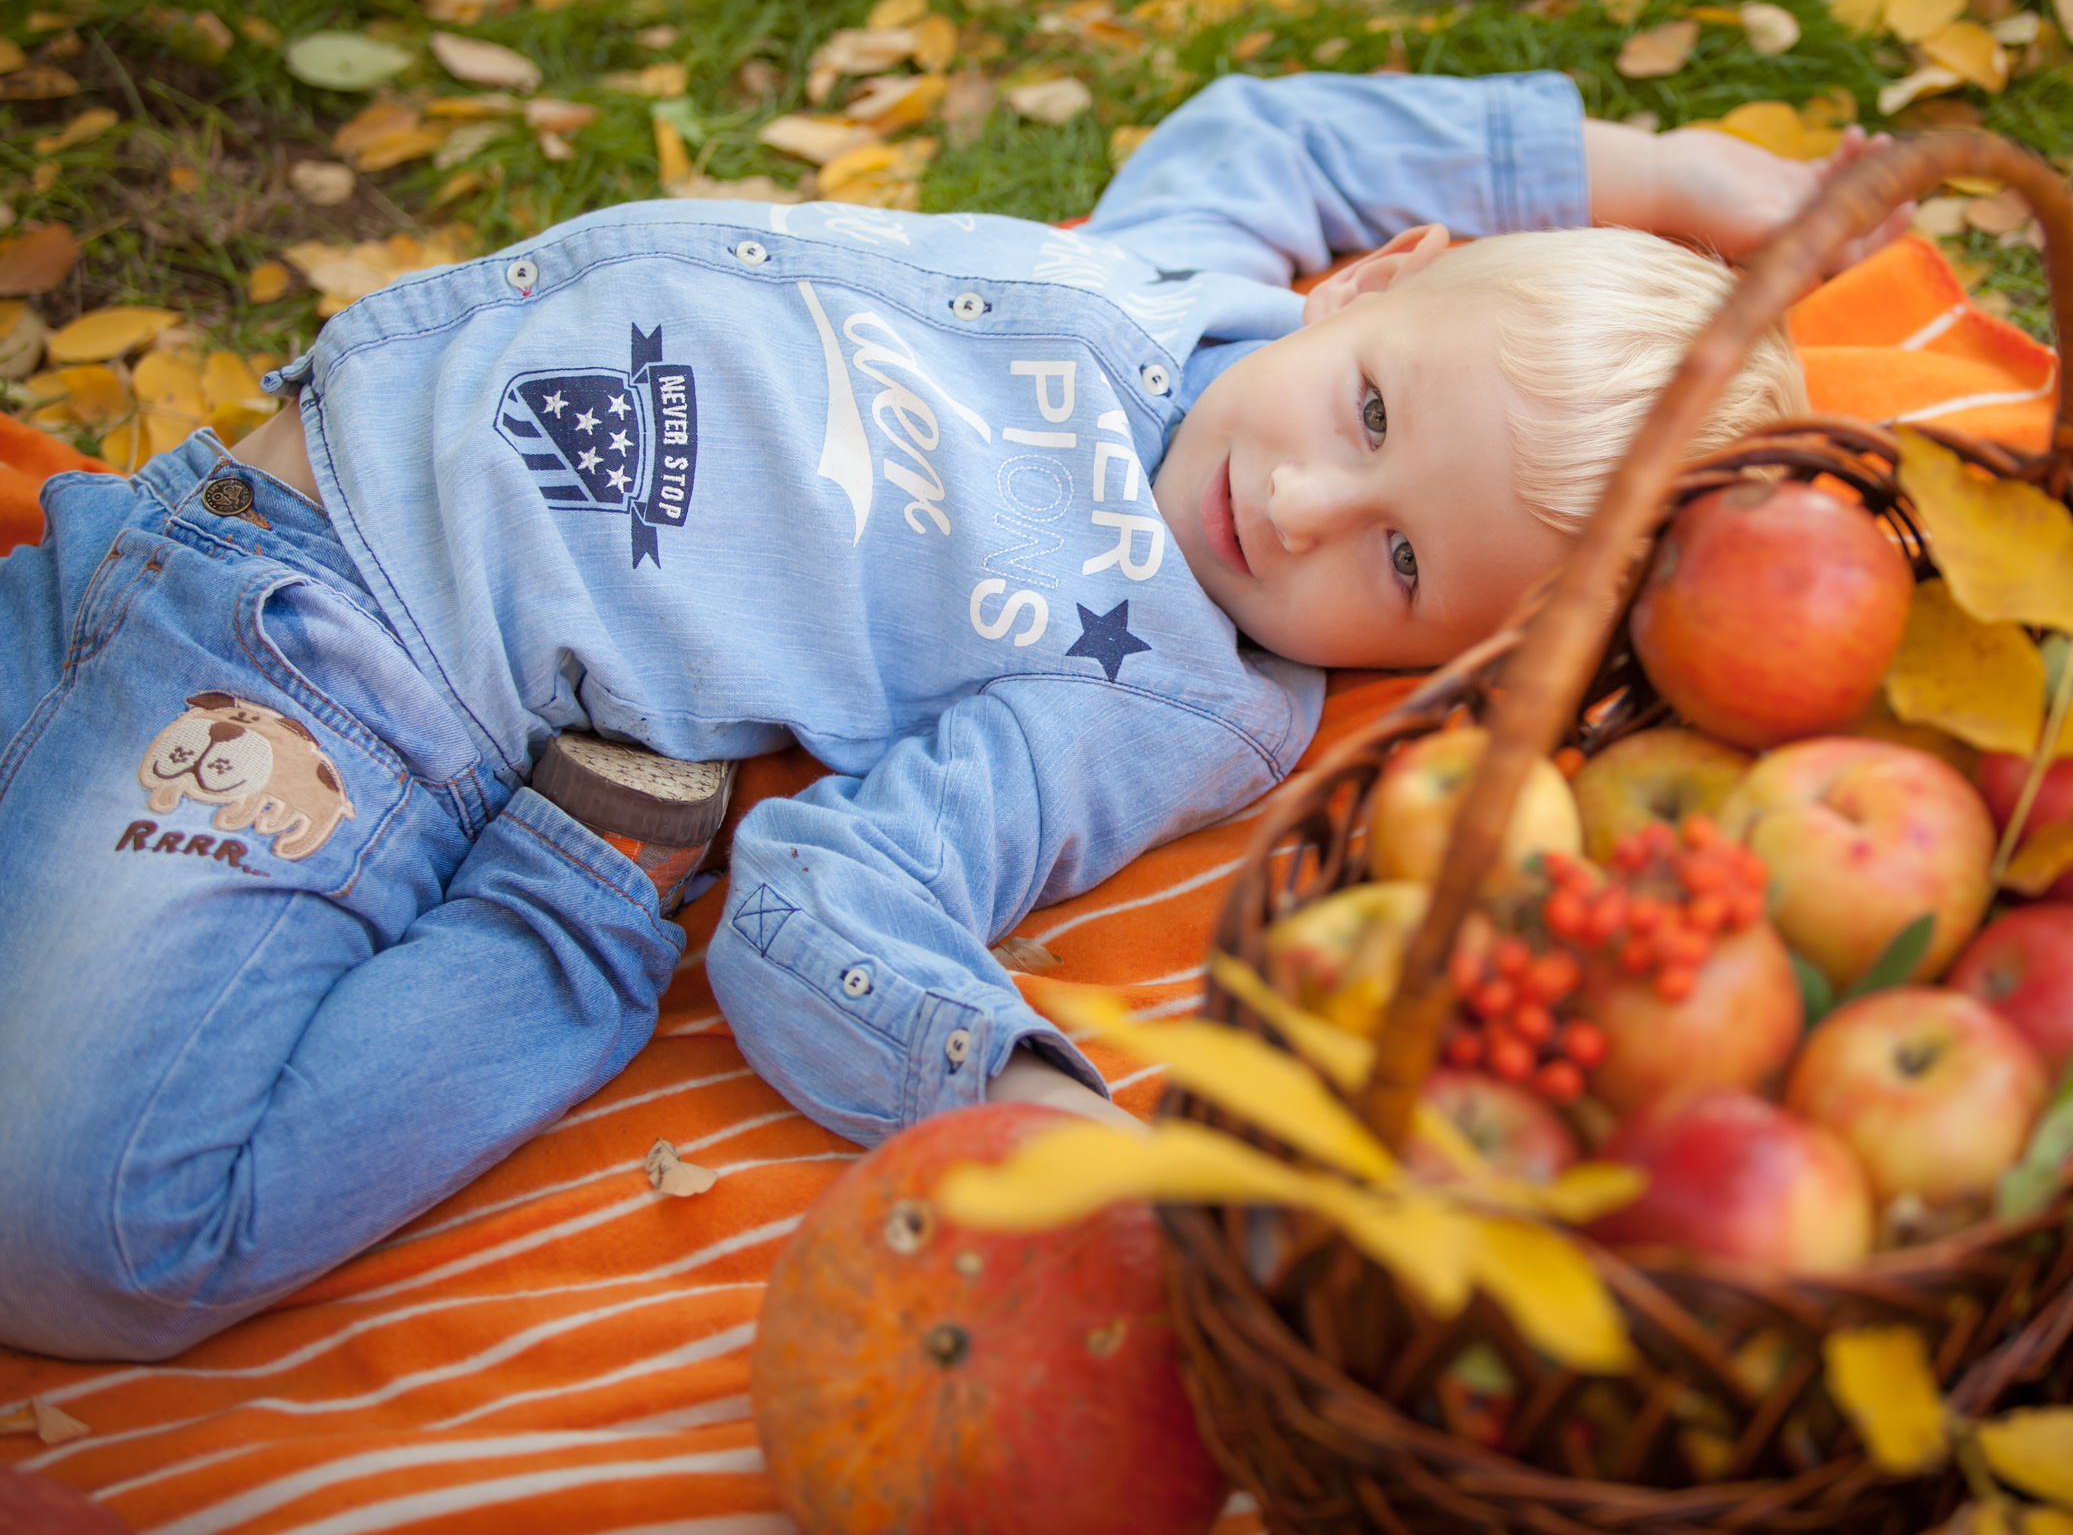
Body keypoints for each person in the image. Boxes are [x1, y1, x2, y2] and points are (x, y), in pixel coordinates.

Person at [0, 70, 1896, 1361]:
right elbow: (1288, 127)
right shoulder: (1192, 271)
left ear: (1442, 666)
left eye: (1396, 571)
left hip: (348, 693)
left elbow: (843, 889)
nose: (1307, 507)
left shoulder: (1173, 695)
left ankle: (565, 888)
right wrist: (1674, 175)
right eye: (1376, 417)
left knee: (104, 1236)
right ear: (1381, 284)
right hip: (185, 512)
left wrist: (1024, 1108)